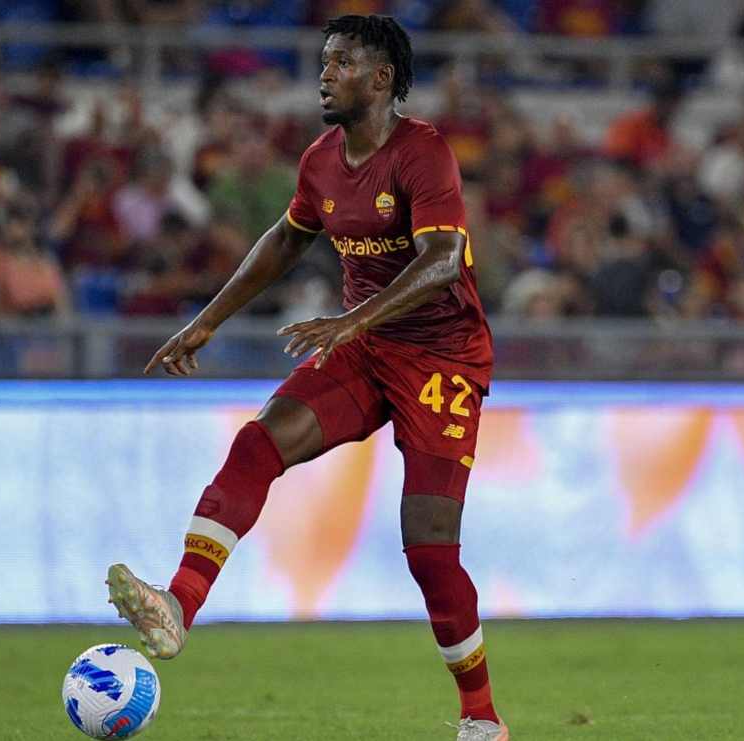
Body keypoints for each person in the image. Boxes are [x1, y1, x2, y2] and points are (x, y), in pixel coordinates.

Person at [105, 15, 506, 741]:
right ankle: (179, 605)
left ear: (381, 78)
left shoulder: (423, 153)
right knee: (258, 443)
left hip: (441, 357)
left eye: (342, 63)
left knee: (428, 548)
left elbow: (445, 259)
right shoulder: (321, 160)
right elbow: (287, 239)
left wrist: (351, 319)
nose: (324, 75)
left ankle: (481, 716)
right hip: (363, 345)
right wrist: (207, 320)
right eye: (324, 62)